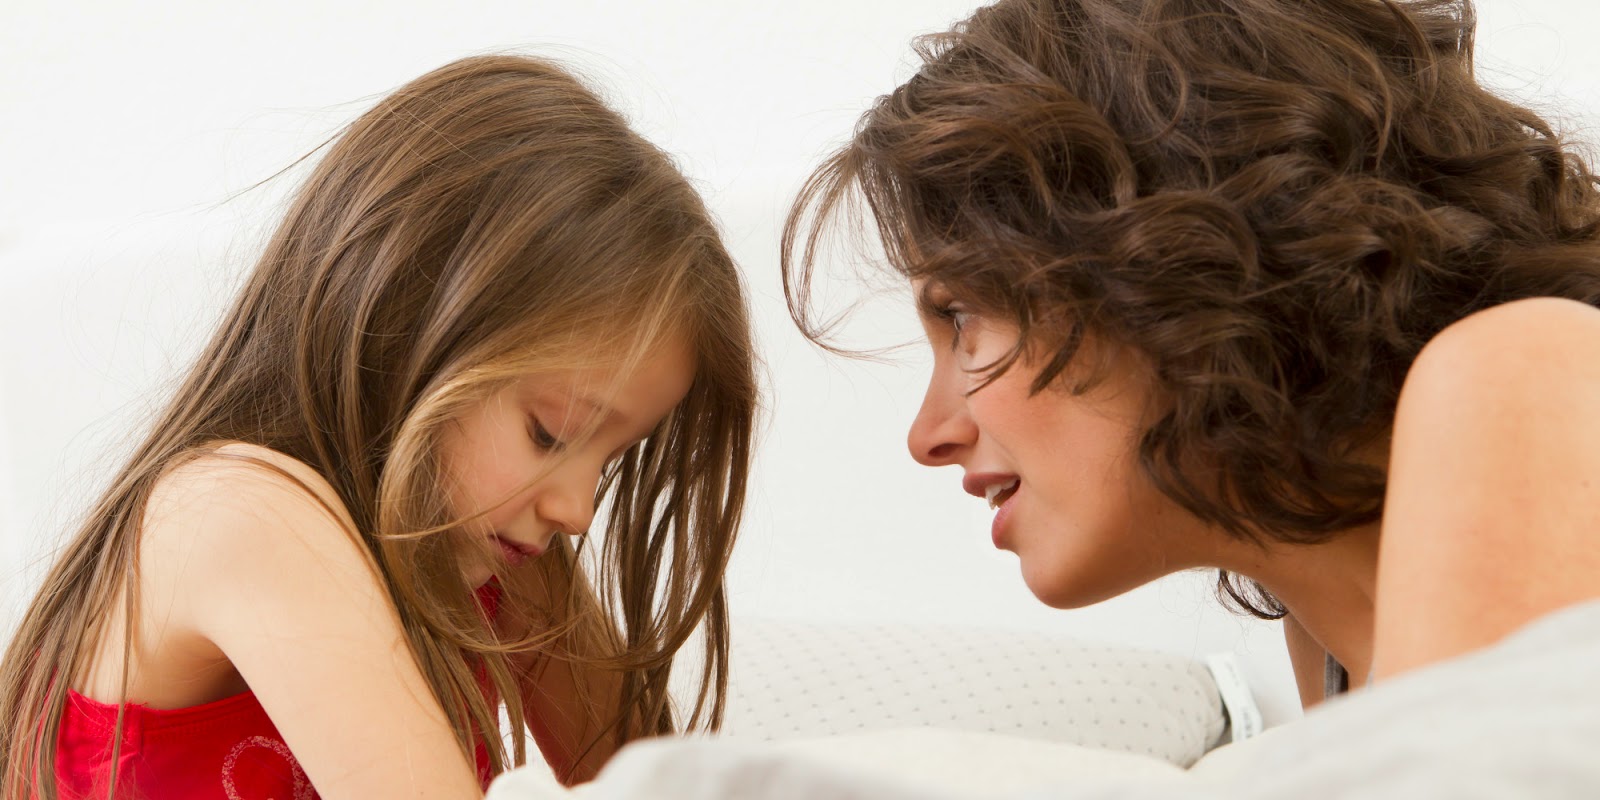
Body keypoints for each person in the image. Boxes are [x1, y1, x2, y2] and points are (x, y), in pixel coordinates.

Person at [784, 0, 1600, 711]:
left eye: (962, 318)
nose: (928, 436)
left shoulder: (1522, 374)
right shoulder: (1329, 645)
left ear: (1159, 255)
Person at [0, 54, 756, 799]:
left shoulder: (495, 550)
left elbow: (656, 784)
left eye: (610, 458)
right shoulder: (238, 514)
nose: (578, 510)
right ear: (403, 330)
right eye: (550, 434)